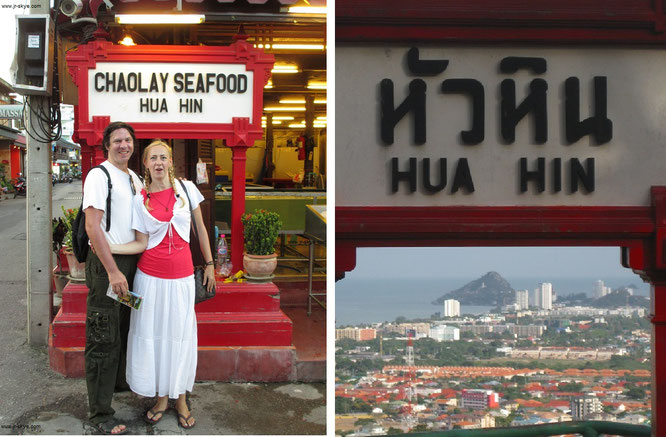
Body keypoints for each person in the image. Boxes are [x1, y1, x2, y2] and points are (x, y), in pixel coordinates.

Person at [109, 139, 216, 429]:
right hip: (148, 280)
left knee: (179, 337)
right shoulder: (138, 200)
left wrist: (210, 264)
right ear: (144, 164)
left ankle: (180, 397)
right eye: (153, 158)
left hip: (182, 279)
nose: (158, 162)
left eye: (163, 157)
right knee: (152, 336)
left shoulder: (187, 190)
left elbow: (201, 229)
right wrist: (110, 248)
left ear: (171, 162)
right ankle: (160, 397)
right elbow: (140, 243)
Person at [83, 122, 143, 435]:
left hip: (130, 264)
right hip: (109, 265)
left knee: (122, 327)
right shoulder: (99, 175)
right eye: (117, 140)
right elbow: (93, 227)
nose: (123, 145)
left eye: (128, 140)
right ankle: (99, 414)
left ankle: (117, 385)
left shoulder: (134, 177)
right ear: (107, 144)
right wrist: (113, 271)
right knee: (102, 336)